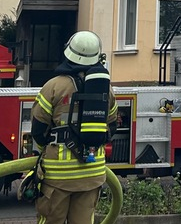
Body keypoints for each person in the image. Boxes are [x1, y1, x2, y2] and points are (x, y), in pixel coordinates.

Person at [29, 30, 117, 224]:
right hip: (92, 173)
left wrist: (46, 151)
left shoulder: (53, 86)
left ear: (68, 52)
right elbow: (112, 126)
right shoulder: (107, 89)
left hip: (58, 175)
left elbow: (38, 129)